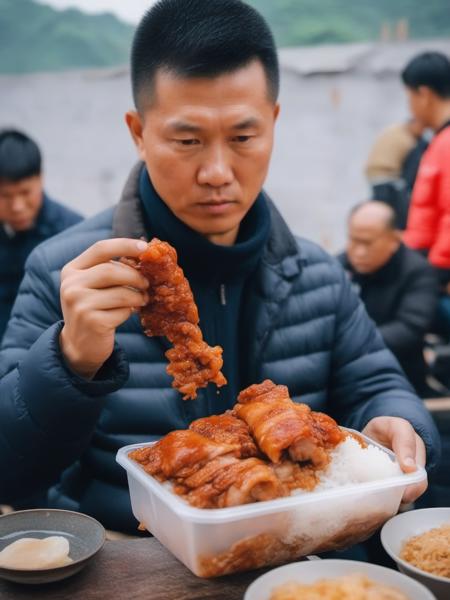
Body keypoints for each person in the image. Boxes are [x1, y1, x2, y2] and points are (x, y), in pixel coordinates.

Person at [0, 0, 439, 533]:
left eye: (243, 138)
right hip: (133, 563)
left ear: (273, 123)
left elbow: (376, 385)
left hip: (301, 563)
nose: (216, 172)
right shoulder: (63, 273)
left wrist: (402, 423)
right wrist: (70, 361)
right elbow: (11, 473)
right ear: (138, 132)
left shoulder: (318, 271)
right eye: (187, 141)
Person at [338, 201, 438, 396]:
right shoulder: (338, 267)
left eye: (367, 243)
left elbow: (410, 328)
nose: (358, 252)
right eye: (353, 240)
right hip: (346, 377)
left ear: (394, 240)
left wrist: (350, 342)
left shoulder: (417, 271)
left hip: (401, 379)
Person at [0, 129, 82, 341]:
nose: (17, 206)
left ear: (41, 179)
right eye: (5, 196)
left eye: (25, 192)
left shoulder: (73, 233)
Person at [402, 52, 450, 336]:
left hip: (435, 270)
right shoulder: (438, 141)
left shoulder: (445, 144)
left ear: (424, 94)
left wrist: (436, 274)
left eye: (409, 96)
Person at [365, 119, 428, 229]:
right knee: (390, 218)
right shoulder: (408, 140)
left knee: (381, 215)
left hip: (377, 178)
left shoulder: (394, 131)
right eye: (422, 128)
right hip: (388, 180)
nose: (423, 132)